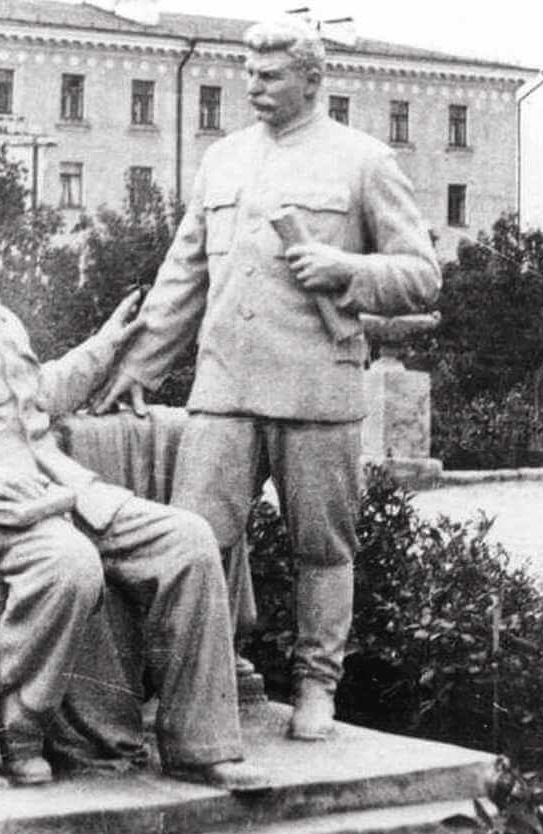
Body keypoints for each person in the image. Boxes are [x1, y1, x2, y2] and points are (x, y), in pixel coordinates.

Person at [0, 175, 264, 789]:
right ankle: (21, 724)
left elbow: (38, 399)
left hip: (62, 490)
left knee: (188, 541)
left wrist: (105, 348)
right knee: (69, 564)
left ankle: (200, 744)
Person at [95, 18, 441, 741]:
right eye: (248, 72)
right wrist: (138, 367)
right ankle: (197, 684)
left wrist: (349, 270)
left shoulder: (362, 160)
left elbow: (420, 275)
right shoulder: (222, 160)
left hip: (317, 389)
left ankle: (317, 687)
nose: (252, 85)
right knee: (192, 538)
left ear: (312, 80)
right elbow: (182, 275)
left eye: (269, 74)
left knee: (321, 548)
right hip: (222, 387)